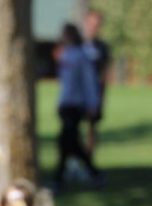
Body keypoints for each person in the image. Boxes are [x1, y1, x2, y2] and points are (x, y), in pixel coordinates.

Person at [53, 23, 103, 192]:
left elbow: (90, 82)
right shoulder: (65, 55)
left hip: (76, 104)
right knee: (69, 142)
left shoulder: (82, 56)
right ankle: (92, 172)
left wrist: (92, 104)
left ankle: (60, 177)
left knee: (65, 141)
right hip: (65, 104)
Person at [82, 9, 111, 159]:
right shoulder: (78, 45)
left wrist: (102, 94)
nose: (94, 27)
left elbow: (105, 72)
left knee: (92, 129)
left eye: (97, 24)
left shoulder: (102, 48)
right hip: (79, 94)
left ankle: (88, 160)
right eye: (91, 24)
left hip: (95, 94)